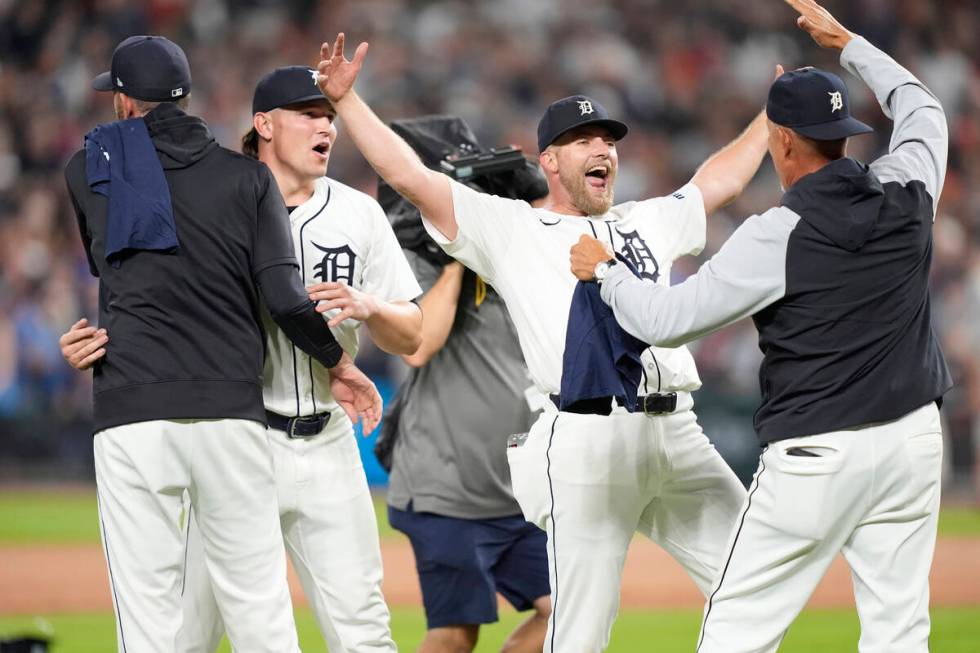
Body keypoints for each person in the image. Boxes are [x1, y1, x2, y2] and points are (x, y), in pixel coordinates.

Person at [315, 34, 772, 651]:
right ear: (549, 162)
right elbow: (411, 177)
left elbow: (716, 181)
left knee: (756, 582)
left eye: (608, 140)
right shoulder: (513, 229)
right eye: (583, 140)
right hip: (588, 437)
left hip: (678, 432)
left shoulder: (643, 219)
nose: (601, 148)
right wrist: (346, 103)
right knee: (577, 629)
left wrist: (773, 117)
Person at [569, 1, 951, 651]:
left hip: (815, 456)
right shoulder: (911, 187)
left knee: (735, 634)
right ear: (847, 134)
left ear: (781, 141)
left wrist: (607, 272)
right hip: (912, 441)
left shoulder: (776, 235)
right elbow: (924, 109)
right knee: (898, 631)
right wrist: (851, 43)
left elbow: (665, 319)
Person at [63, 64, 422, 652]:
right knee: (193, 635)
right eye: (308, 114)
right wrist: (99, 341)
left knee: (364, 630)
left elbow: (413, 334)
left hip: (327, 444)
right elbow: (149, 293)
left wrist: (370, 306)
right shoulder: (214, 197)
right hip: (242, 436)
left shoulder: (359, 213)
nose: (323, 125)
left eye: (328, 116)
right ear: (264, 125)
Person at [381, 115, 552, 653]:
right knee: (456, 634)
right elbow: (420, 343)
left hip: (515, 492)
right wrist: (458, 254)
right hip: (445, 488)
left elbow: (551, 214)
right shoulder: (417, 260)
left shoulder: (515, 256)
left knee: (569, 610)